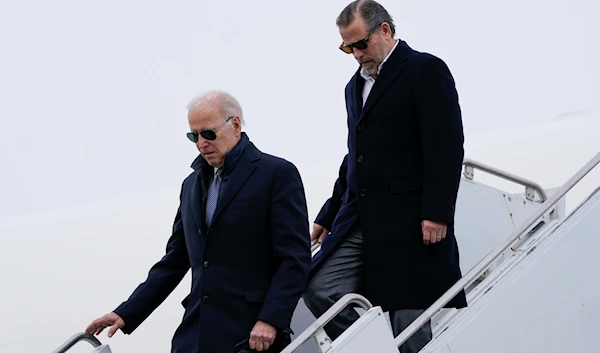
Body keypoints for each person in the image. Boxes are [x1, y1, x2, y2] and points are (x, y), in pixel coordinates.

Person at [85, 90, 311, 353]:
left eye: (209, 134)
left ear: (235, 125)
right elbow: (174, 261)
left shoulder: (277, 174)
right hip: (196, 334)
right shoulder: (191, 186)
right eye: (194, 136)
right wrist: (127, 312)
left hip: (250, 336)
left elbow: (294, 258)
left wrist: (270, 320)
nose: (201, 143)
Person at [302, 1, 468, 352]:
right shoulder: (354, 88)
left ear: (386, 30)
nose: (356, 54)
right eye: (347, 47)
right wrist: (329, 213)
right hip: (362, 217)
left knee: (411, 328)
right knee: (318, 285)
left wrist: (437, 212)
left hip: (411, 221)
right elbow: (356, 157)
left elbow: (446, 145)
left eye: (361, 44)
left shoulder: (425, 70)